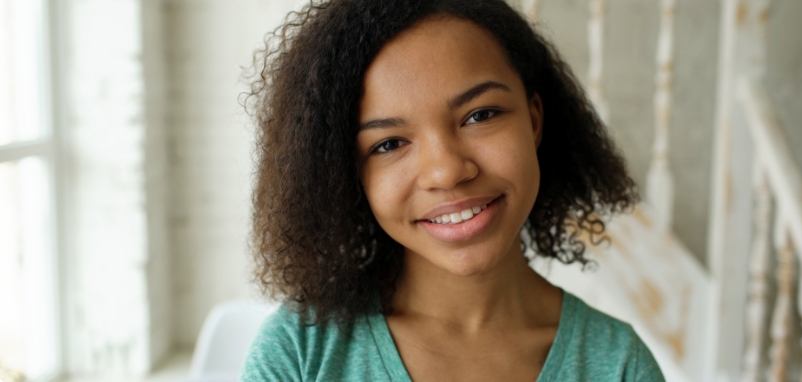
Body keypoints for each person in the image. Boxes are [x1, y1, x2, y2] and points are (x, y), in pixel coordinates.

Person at [242, 0, 664, 380]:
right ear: (346, 174)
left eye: (480, 115)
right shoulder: (298, 356)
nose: (446, 172)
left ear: (534, 121)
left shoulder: (619, 367)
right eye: (388, 144)